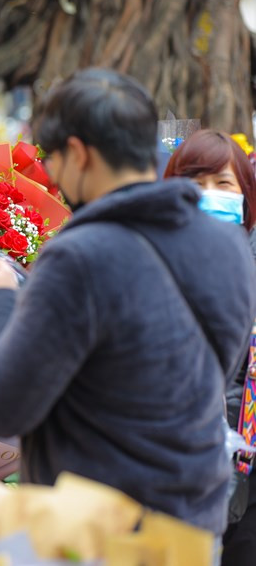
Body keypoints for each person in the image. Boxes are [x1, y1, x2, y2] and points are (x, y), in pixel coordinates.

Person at [0, 68, 256, 539]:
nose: (53, 176)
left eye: (54, 160)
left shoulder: (79, 256)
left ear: (78, 154)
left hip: (100, 532)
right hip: (193, 523)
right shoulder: (228, 245)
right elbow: (208, 376)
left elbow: (3, 408)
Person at [162, 130, 256, 565]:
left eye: (223, 184)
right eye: (194, 182)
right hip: (171, 477)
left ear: (246, 197)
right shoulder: (143, 265)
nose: (208, 194)